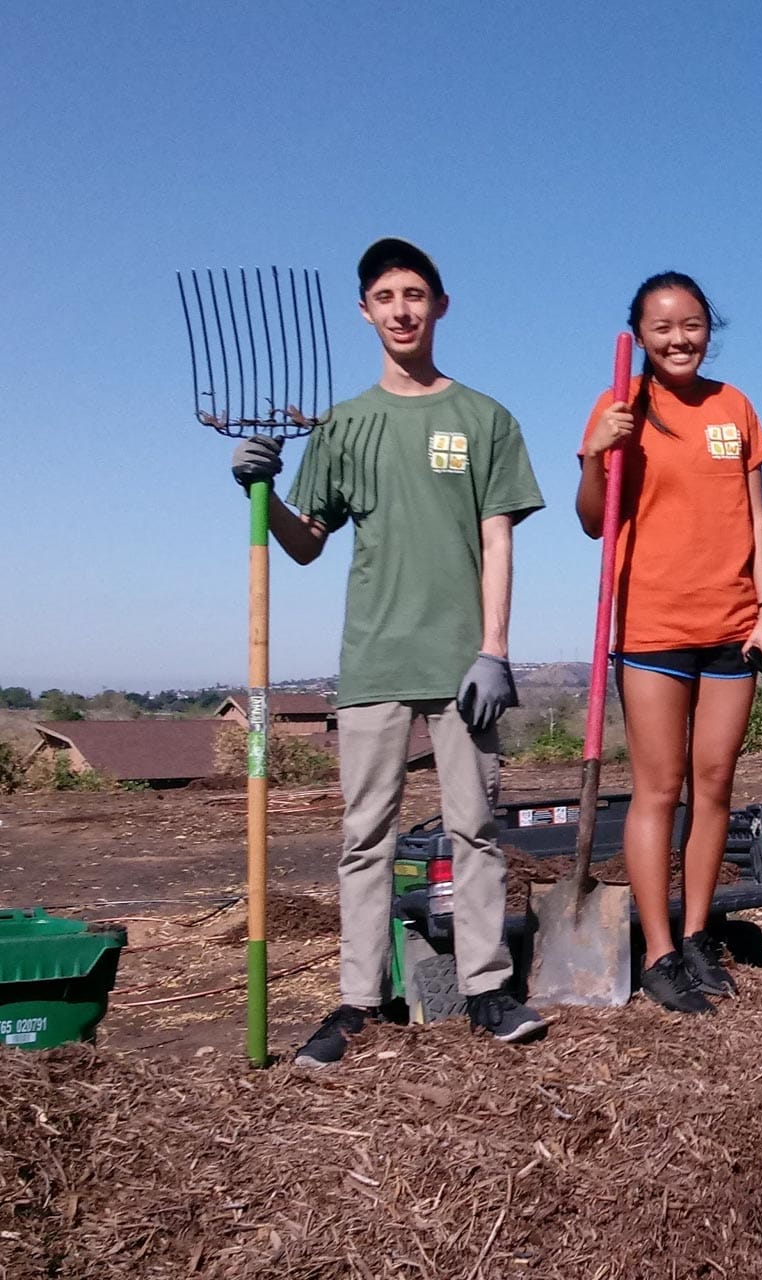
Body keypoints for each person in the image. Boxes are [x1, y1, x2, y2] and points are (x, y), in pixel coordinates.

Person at [229, 237, 548, 1064]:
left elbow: (499, 539)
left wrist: (495, 650)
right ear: (366, 312)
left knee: (475, 829)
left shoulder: (484, 419)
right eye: (385, 296)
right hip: (373, 658)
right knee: (364, 835)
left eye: (415, 294)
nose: (402, 309)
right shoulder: (342, 426)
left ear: (441, 305)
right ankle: (356, 1004)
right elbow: (307, 544)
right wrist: (260, 492)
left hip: (460, 663)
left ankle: (485, 989)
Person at [575, 272, 762, 1015]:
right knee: (659, 790)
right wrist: (594, 456)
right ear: (639, 332)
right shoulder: (620, 406)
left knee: (715, 787)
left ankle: (699, 937)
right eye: (662, 326)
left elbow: (756, 518)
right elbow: (593, 523)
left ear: (708, 328)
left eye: (691, 323)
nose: (679, 338)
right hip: (653, 627)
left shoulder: (735, 407)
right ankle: (658, 951)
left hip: (731, 624)